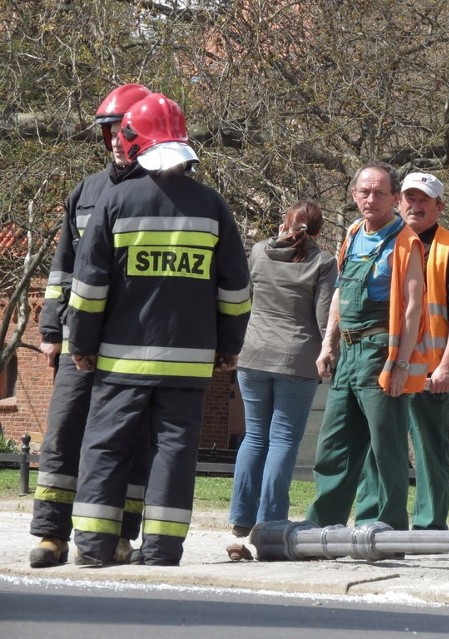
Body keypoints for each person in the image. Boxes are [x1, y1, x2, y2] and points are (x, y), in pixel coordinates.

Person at [66, 93, 251, 566]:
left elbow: (88, 288)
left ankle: (92, 548)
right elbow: (236, 291)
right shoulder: (213, 207)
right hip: (189, 362)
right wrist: (228, 348)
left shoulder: (115, 201)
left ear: (135, 143)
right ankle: (163, 549)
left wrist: (81, 345)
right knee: (175, 453)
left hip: (119, 359)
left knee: (106, 448)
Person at [29, 83, 153, 568]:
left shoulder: (163, 192)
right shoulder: (87, 191)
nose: (115, 143)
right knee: (62, 434)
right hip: (80, 340)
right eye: (109, 134)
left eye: (123, 133)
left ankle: (119, 536)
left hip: (134, 343)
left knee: (131, 443)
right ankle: (50, 535)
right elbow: (63, 268)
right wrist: (51, 330)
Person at [304, 161, 429, 532]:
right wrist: (328, 344)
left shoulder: (406, 242)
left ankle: (382, 528)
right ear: (354, 195)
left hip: (380, 352)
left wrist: (400, 363)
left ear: (393, 197)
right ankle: (324, 525)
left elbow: (412, 308)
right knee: (334, 445)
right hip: (348, 352)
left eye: (379, 192)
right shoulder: (354, 232)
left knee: (385, 447)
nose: (370, 198)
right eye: (364, 191)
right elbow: (341, 293)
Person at [355, 172, 449, 530]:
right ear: (398, 201)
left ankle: (429, 528)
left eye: (424, 200)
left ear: (440, 206)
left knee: (429, 453)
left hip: (427, 373)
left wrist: (446, 366)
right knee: (377, 450)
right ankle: (375, 522)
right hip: (386, 364)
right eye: (409, 197)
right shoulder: (385, 240)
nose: (415, 205)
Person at [226, 200, 337, 561]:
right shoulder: (322, 263)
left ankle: (241, 517)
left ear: (283, 224)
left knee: (255, 436)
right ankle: (270, 518)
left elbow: (245, 297)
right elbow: (324, 318)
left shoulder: (258, 252)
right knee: (283, 439)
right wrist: (330, 353)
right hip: (297, 358)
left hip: (253, 354)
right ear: (318, 230)